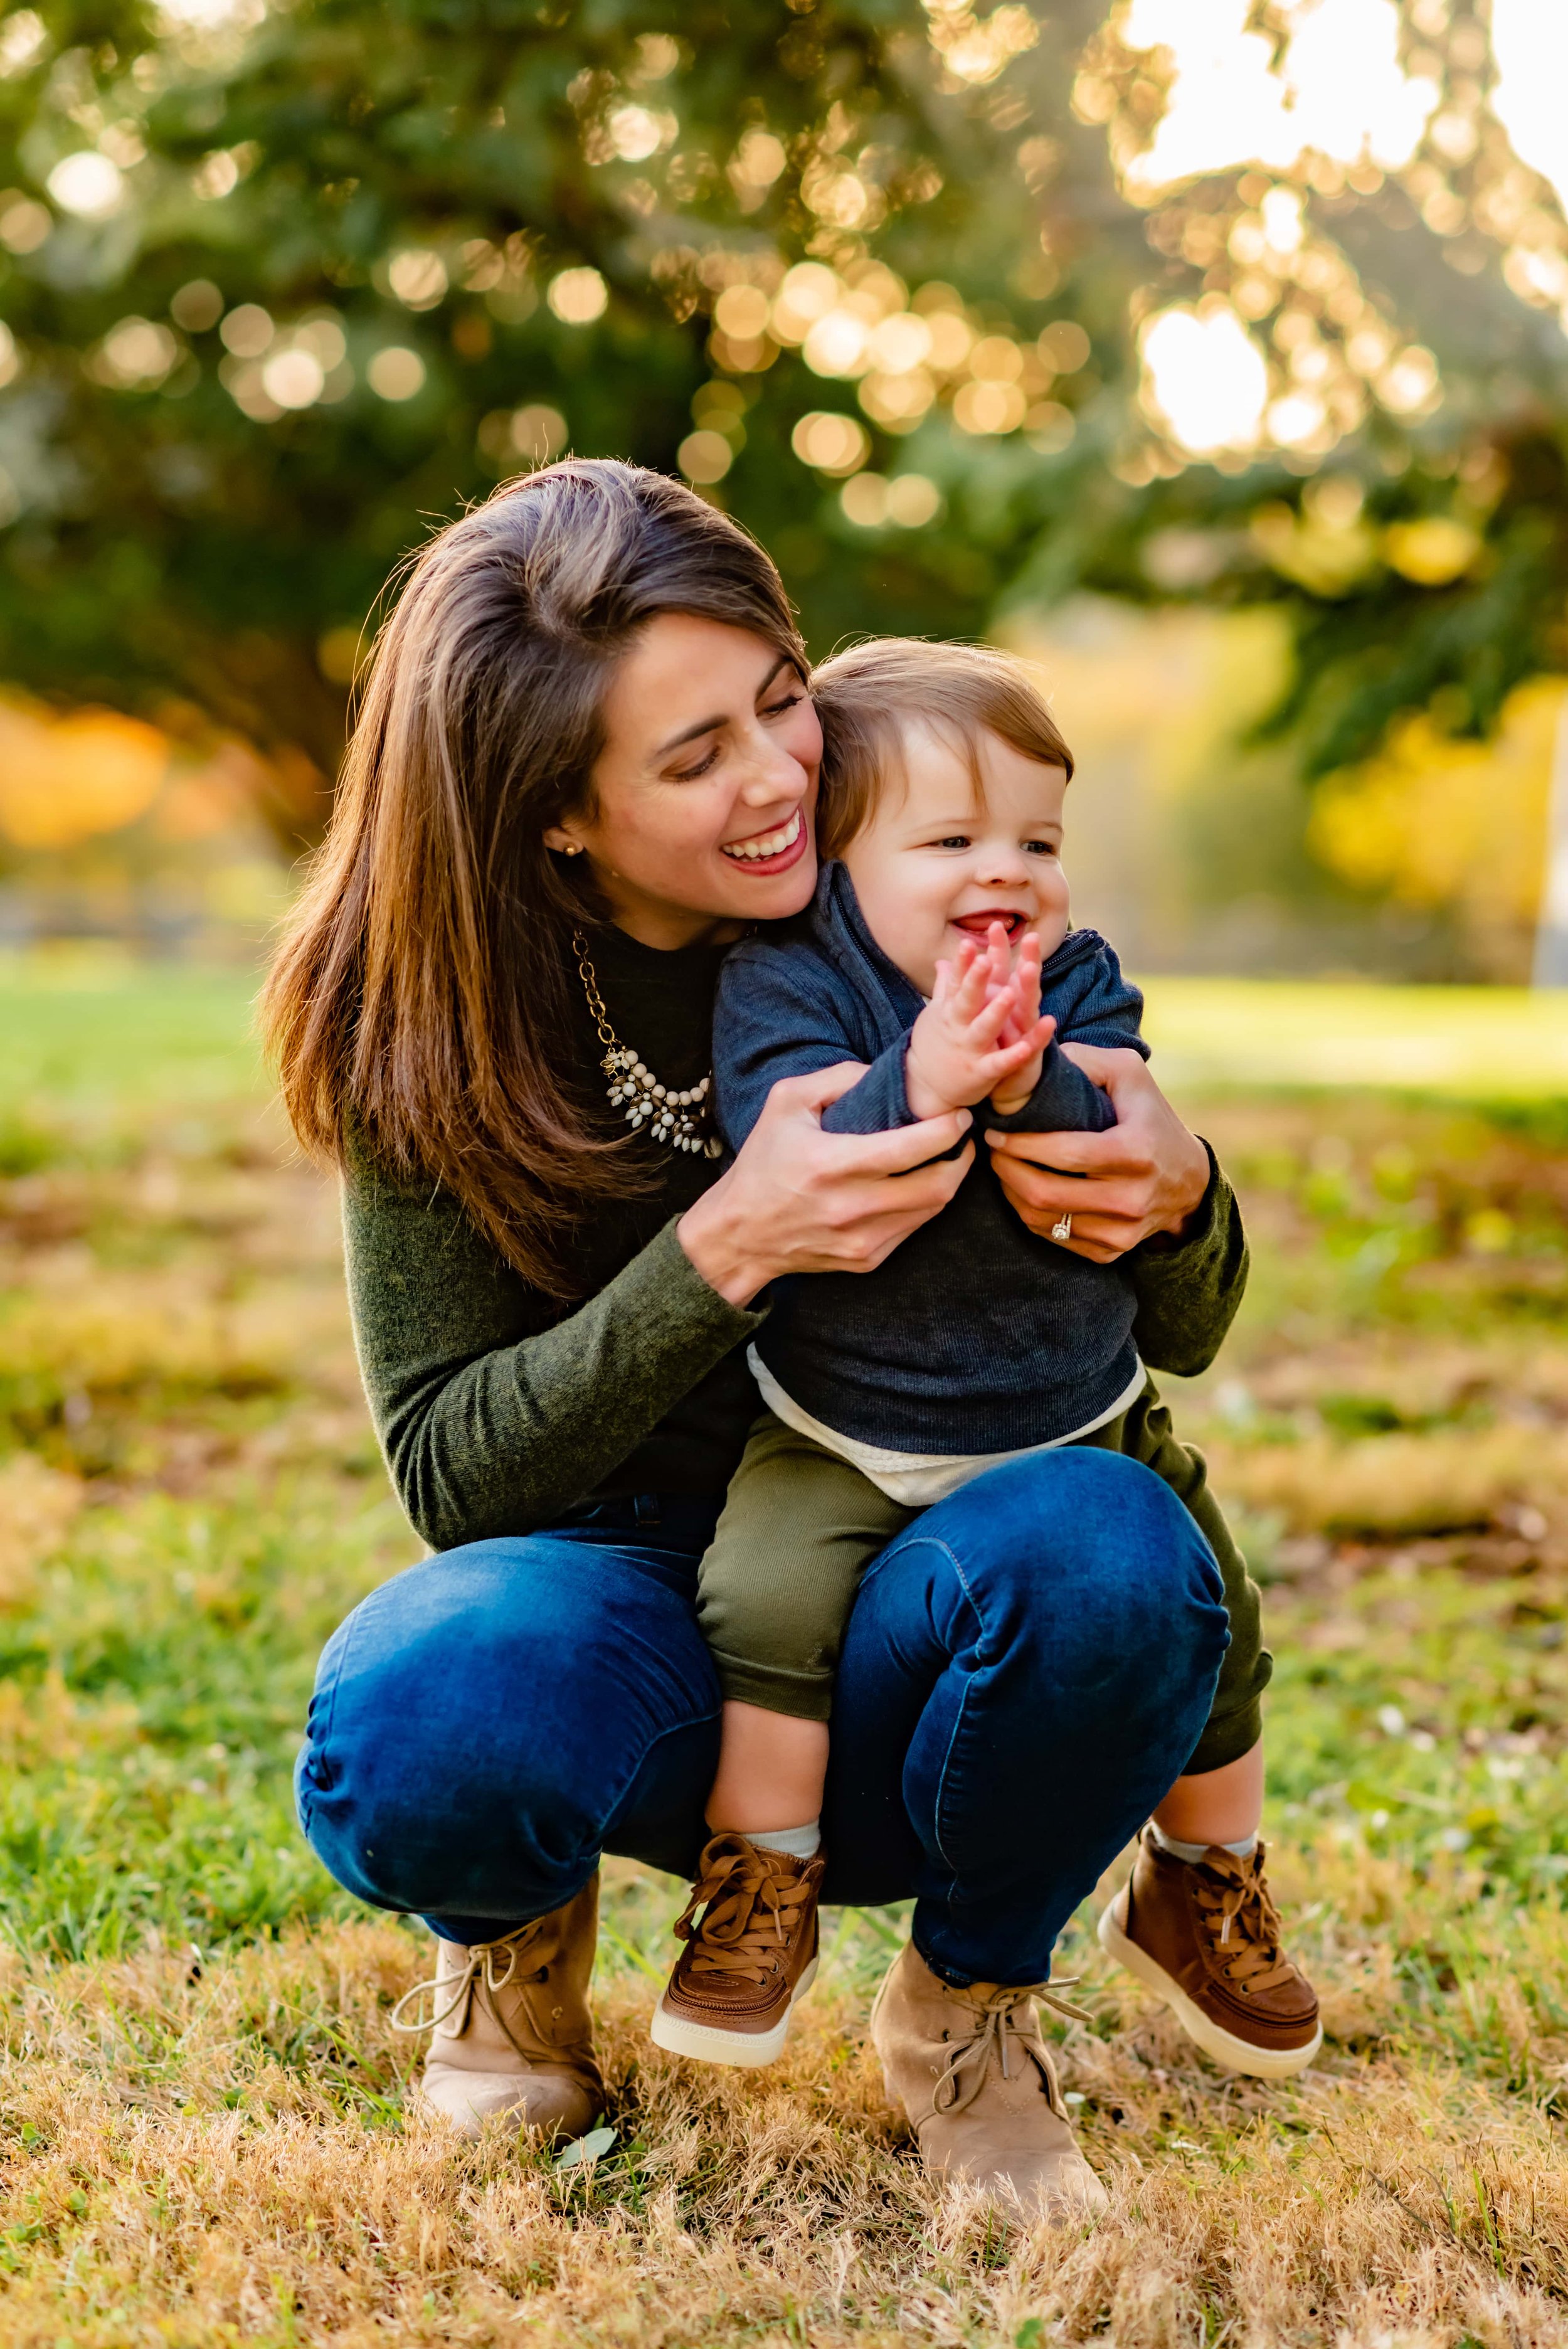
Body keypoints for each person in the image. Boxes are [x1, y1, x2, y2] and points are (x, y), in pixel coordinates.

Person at [265, 459, 1254, 2222]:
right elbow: (449, 1471)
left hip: (928, 1619)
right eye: (690, 755)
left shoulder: (921, 896)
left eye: (777, 700)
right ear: (552, 814)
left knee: (1120, 1555)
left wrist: (1177, 1196)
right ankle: (511, 1949)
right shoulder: (437, 1023)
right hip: (637, 1638)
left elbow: (1157, 1321)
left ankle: (965, 2011)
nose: (782, 774)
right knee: (434, 1705)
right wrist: (725, 1248)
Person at [652, 639, 1320, 2088]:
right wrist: (938, 1070)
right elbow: (801, 1140)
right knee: (761, 1599)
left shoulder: (1072, 978)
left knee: (1216, 1623)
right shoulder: (788, 977)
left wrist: (1035, 1076)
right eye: (948, 839)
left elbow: (1111, 1126)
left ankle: (1200, 1875)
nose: (1001, 872)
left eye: (1037, 839)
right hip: (841, 1425)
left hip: (1070, 1416)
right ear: (837, 863)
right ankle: (760, 1879)